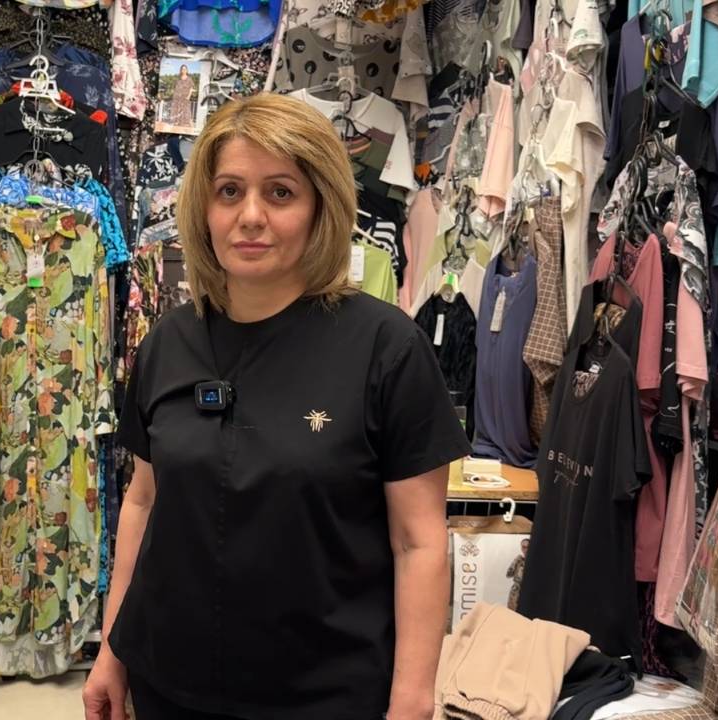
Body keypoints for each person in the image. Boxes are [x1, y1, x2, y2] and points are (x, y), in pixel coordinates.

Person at [83, 93, 471, 720]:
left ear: (321, 206)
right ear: (203, 207)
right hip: (168, 684)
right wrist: (111, 651)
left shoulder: (387, 349)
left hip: (324, 697)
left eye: (280, 193)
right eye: (229, 191)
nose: (250, 216)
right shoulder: (167, 344)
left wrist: (411, 700)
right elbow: (144, 503)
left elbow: (418, 541)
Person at [169, 64, 196, 129]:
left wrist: (188, 96)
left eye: (184, 69)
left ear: (186, 70)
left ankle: (186, 124)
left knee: (186, 110)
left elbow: (191, 88)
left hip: (185, 98)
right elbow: (174, 88)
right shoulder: (178, 79)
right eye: (182, 69)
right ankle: (177, 123)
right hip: (177, 98)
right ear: (180, 70)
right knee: (177, 110)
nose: (183, 70)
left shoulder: (189, 79)